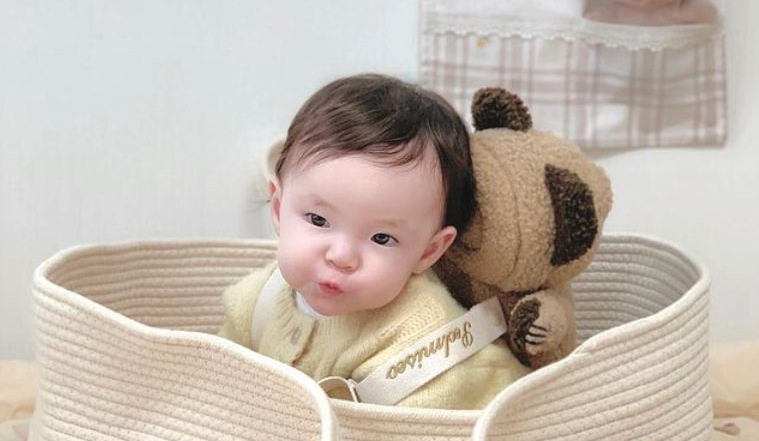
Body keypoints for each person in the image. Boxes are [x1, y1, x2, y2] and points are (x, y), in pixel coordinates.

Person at [218, 74, 527, 408]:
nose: (341, 256)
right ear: (279, 209)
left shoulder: (425, 346)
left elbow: (421, 437)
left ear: (428, 251)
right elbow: (220, 382)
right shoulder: (258, 301)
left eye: (382, 238)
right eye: (318, 220)